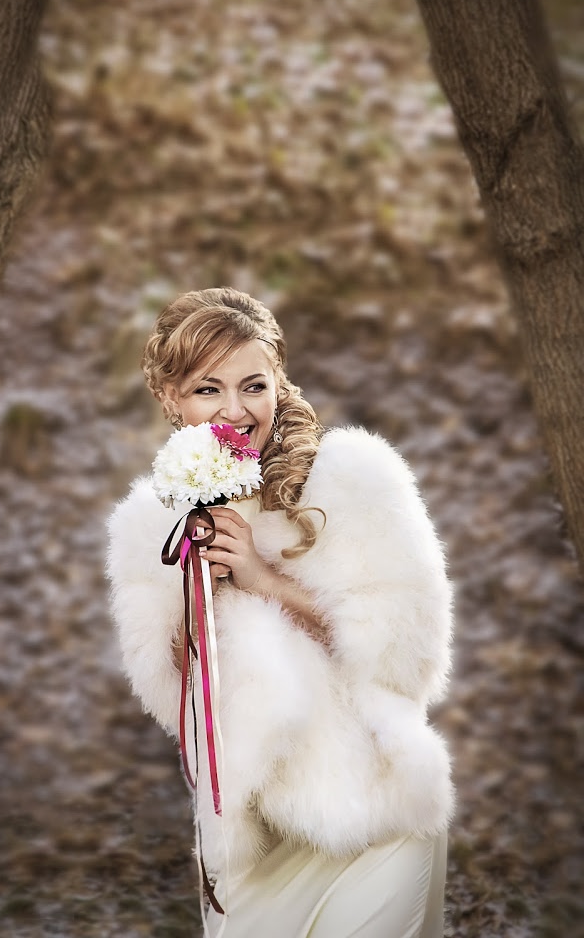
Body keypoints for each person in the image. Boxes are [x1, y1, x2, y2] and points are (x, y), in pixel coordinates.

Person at [106, 287, 454, 938]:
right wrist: (198, 588)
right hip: (253, 843)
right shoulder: (150, 527)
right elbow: (175, 697)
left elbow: (413, 656)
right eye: (208, 389)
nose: (236, 410)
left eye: (253, 385)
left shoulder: (355, 479)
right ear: (170, 399)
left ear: (278, 382)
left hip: (376, 813)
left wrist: (263, 578)